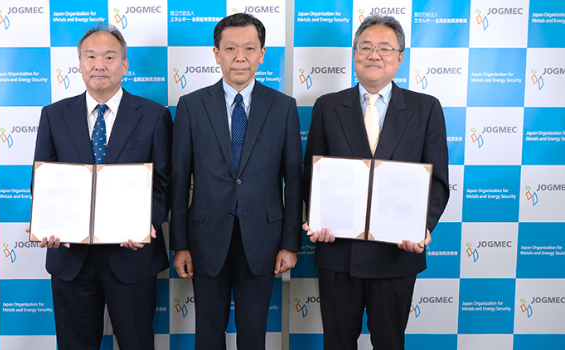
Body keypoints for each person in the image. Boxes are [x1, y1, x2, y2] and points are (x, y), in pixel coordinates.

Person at [302, 15, 450, 350]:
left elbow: (438, 181)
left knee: (390, 343)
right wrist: (318, 218)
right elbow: (313, 175)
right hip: (339, 252)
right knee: (337, 343)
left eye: (385, 48)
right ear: (354, 54)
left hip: (397, 252)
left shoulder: (425, 109)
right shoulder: (327, 107)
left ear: (399, 58)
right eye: (366, 47)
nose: (374, 55)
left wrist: (420, 227)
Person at [31, 23, 172, 350]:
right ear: (79, 64)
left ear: (124, 65)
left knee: (137, 343)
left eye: (109, 57)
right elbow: (42, 182)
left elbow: (164, 184)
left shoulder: (153, 116)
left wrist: (145, 225)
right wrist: (48, 223)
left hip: (132, 258)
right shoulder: (54, 115)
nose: (99, 64)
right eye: (90, 56)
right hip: (70, 259)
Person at [170, 13, 302, 350]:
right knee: (208, 333)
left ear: (262, 53)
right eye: (230, 48)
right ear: (216, 54)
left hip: (263, 239)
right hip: (205, 238)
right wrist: (180, 243)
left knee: (253, 333)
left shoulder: (284, 107)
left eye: (248, 48)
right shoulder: (191, 106)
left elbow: (294, 179)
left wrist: (290, 243)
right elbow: (180, 178)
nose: (239, 57)